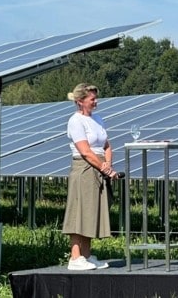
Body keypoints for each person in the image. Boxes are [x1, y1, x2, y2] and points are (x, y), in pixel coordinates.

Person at [62, 83, 120, 271]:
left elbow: (106, 145)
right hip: (85, 169)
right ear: (80, 102)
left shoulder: (98, 119)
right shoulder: (75, 121)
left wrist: (107, 166)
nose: (96, 102)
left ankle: (86, 255)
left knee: (91, 212)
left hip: (99, 168)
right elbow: (86, 151)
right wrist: (104, 167)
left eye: (96, 98)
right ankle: (75, 257)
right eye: (92, 99)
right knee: (80, 212)